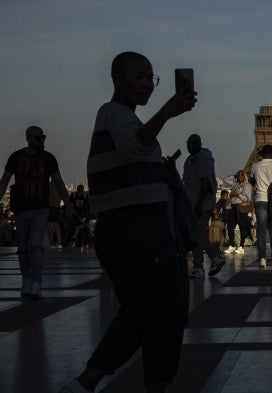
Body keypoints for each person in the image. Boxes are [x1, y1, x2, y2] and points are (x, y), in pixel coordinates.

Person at [62, 51, 197, 393]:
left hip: (132, 229)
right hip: (137, 231)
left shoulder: (124, 118)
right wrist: (168, 111)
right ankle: (93, 380)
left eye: (150, 77)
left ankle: (98, 380)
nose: (145, 83)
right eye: (137, 76)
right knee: (162, 312)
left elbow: (134, 154)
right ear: (117, 79)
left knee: (149, 312)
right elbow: (134, 145)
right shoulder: (115, 114)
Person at [0, 126, 72, 300]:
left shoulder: (48, 159)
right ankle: (28, 280)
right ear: (28, 138)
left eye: (43, 137)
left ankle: (35, 283)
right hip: (22, 209)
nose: (42, 141)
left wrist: (68, 203)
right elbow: (4, 182)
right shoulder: (17, 157)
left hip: (40, 208)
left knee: (34, 246)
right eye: (38, 138)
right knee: (24, 247)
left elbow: (59, 183)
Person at [183, 134, 225, 278]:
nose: (190, 145)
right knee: (199, 233)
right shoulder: (192, 159)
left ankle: (200, 266)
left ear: (200, 143)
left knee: (197, 233)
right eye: (189, 143)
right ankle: (213, 258)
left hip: (199, 204)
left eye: (194, 143)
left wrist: (199, 203)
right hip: (195, 203)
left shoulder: (200, 159)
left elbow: (205, 183)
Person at [250, 145, 272, 268]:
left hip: (260, 199)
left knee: (261, 231)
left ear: (261, 153)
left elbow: (252, 183)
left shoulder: (254, 166)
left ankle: (262, 259)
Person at [224, 170, 253, 255]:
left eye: (241, 175)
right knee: (230, 226)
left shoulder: (247, 185)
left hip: (241, 207)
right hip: (233, 207)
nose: (239, 177)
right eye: (238, 175)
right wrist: (234, 175)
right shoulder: (235, 184)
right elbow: (225, 179)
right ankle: (232, 244)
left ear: (244, 176)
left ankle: (241, 246)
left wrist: (237, 194)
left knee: (242, 226)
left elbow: (247, 198)